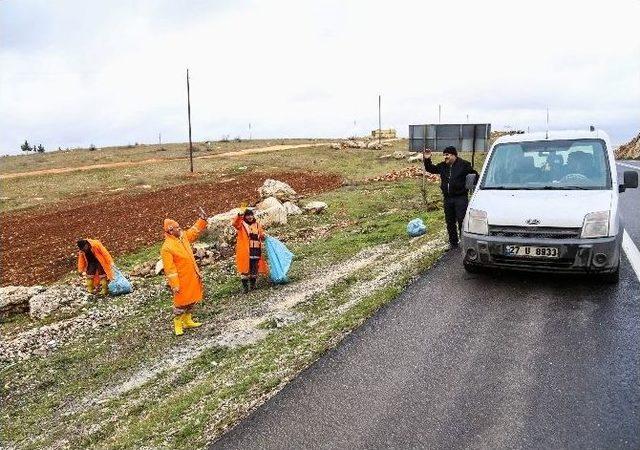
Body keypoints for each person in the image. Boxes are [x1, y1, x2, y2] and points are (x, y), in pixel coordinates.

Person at [161, 207, 208, 336]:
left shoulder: (182, 237)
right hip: (181, 280)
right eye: (177, 228)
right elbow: (169, 269)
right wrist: (174, 284)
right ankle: (177, 323)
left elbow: (193, 231)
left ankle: (187, 320)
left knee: (193, 298)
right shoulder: (167, 248)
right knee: (181, 303)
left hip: (192, 275)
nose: (180, 229)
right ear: (170, 230)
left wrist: (202, 220)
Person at [423, 146, 478, 250]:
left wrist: (474, 187)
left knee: (462, 221)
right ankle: (453, 243)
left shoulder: (464, 165)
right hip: (448, 198)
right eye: (444, 155)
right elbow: (430, 168)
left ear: (454, 155)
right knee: (450, 221)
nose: (445, 157)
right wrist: (427, 158)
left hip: (460, 198)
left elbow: (474, 175)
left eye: (447, 155)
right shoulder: (443, 166)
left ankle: (464, 243)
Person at [233, 207, 268, 293]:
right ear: (244, 216)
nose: (250, 217)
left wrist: (263, 236)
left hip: (256, 250)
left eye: (251, 215)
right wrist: (239, 216)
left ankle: (252, 286)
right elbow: (234, 223)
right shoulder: (241, 225)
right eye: (248, 215)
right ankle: (245, 288)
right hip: (246, 251)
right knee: (245, 269)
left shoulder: (257, 224)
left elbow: (261, 234)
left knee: (254, 268)